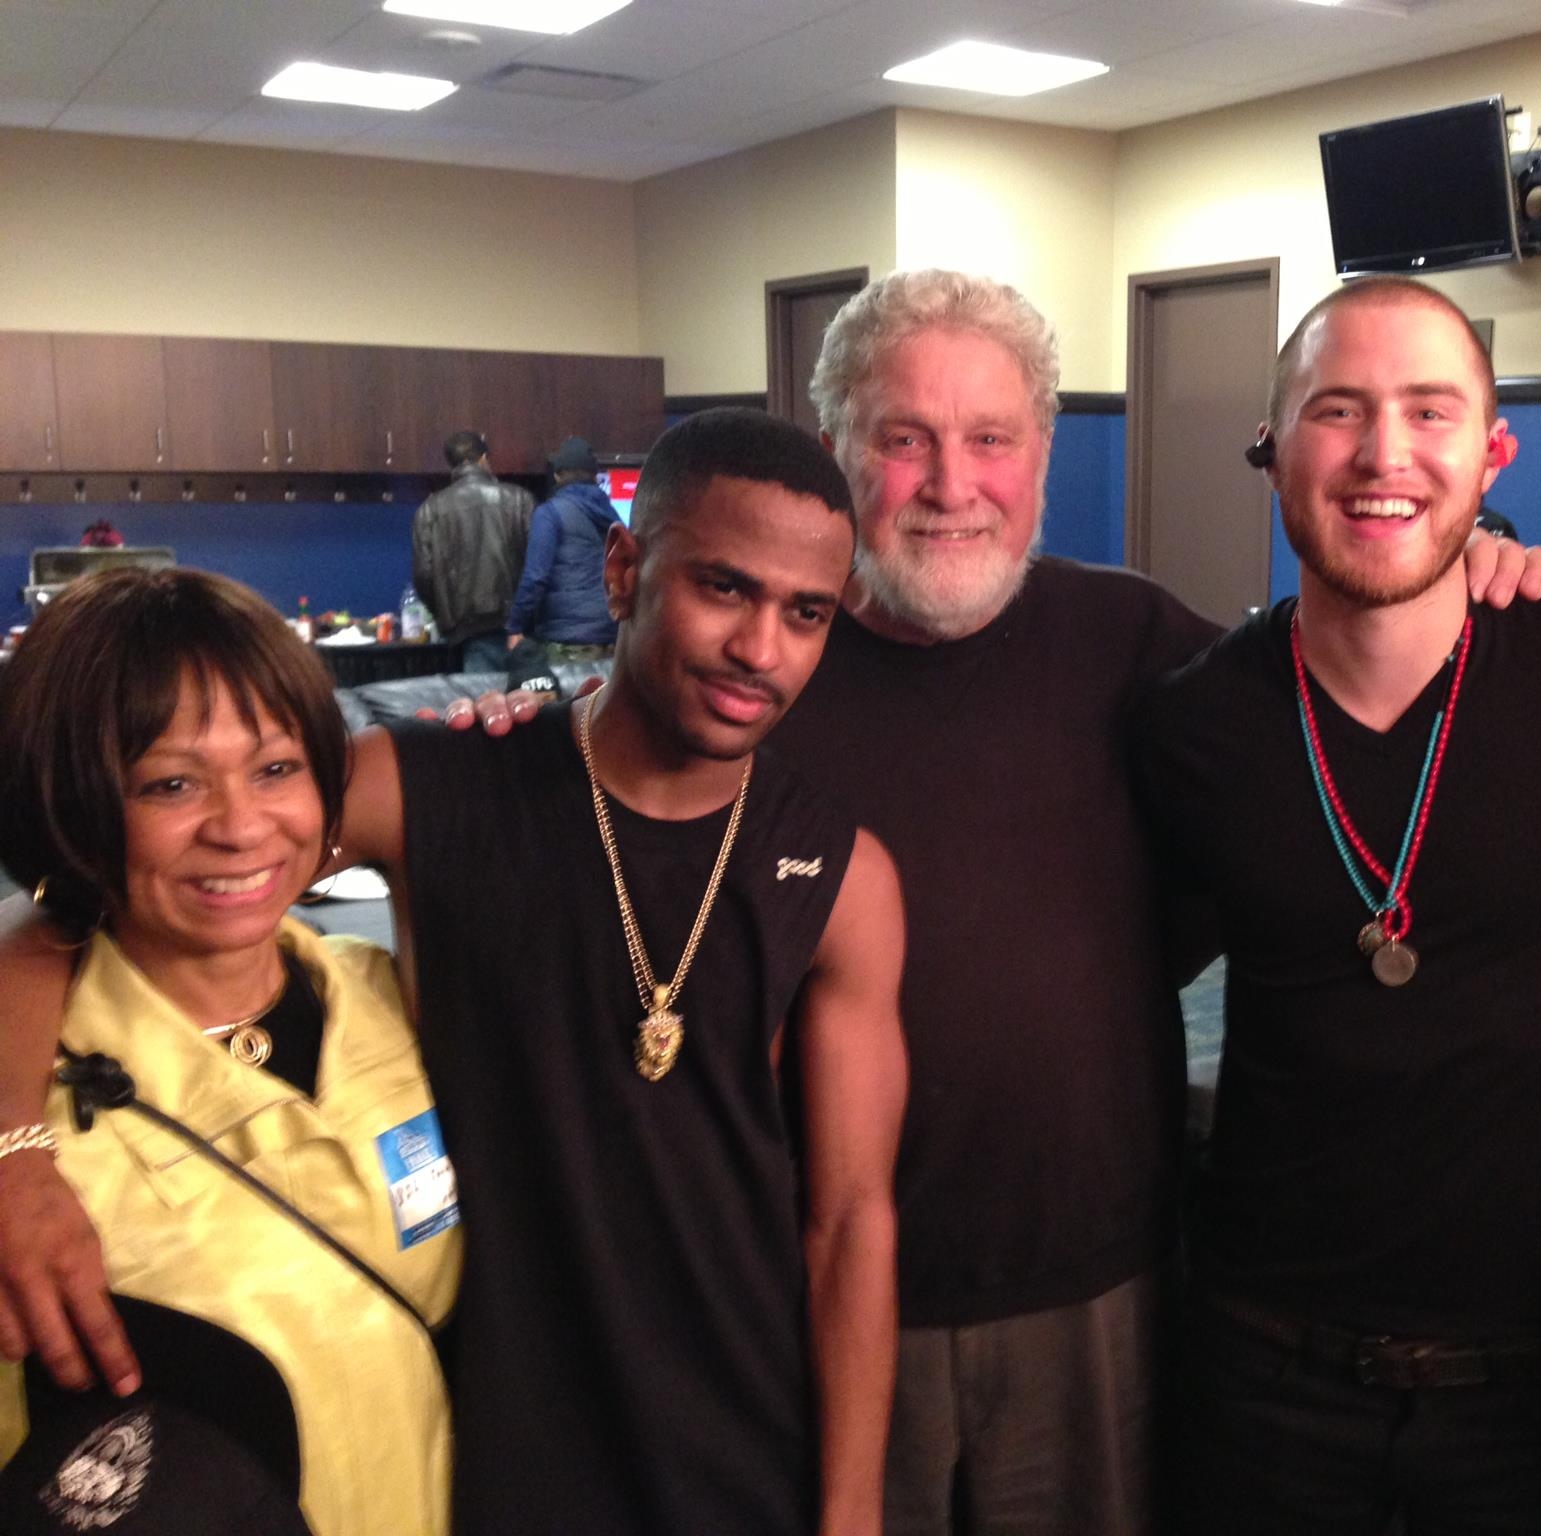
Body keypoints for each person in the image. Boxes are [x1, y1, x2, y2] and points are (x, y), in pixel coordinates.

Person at [390, 270, 1541, 1536]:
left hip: (1091, 1302)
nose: (953, 483)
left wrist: (1468, 558)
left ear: (1041, 459)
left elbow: (1360, 672)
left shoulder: (1148, 649)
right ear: (840, 454)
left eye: (991, 440)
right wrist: (536, 723)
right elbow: (590, 779)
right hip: (791, 1300)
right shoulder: (746, 676)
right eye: (904, 440)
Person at [0, 408, 910, 1536]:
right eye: (723, 588)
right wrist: (13, 1147)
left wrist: (853, 1503)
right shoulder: (427, 789)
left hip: (743, 1445)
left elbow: (853, 1222)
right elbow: (89, 899)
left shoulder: (842, 875)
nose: (760, 648)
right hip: (491, 1455)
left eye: (804, 613)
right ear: (624, 569)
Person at [1136, 276, 1541, 1534]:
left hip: (1540, 1387)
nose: (1383, 454)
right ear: (1271, 449)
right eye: (1337, 410)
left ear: (1492, 454)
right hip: (1259, 1380)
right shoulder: (1190, 725)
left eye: (1429, 413)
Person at [0, 567, 461, 1534]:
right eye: (170, 784)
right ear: (77, 804)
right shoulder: (27, 1121)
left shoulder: (391, 1002)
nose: (242, 826)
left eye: (278, 768)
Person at [410, 429, 535, 673]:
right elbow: (538, 566)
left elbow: (423, 576)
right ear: (483, 459)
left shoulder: (429, 510)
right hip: (520, 630)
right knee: (528, 707)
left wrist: (447, 615)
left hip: (466, 634)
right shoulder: (520, 499)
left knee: (484, 706)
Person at [504, 434, 622, 662]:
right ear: (595, 477)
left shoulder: (550, 514)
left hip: (569, 639)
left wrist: (515, 626)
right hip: (613, 634)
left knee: (575, 698)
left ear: (557, 476)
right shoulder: (612, 514)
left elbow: (536, 577)